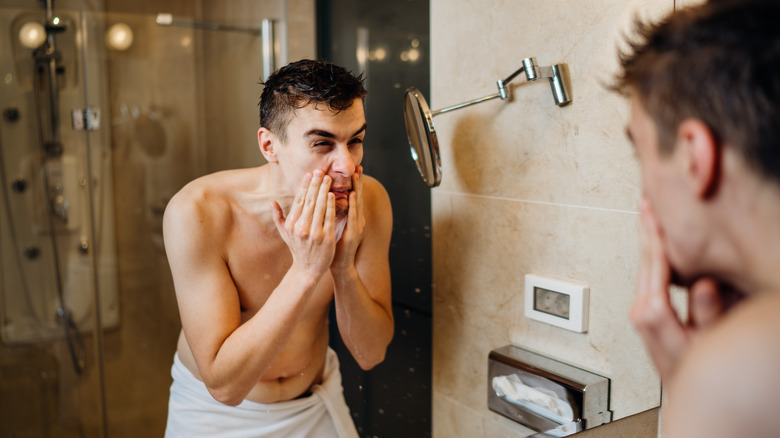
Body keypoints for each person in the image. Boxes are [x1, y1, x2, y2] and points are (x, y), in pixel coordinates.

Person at [162, 59, 394, 437]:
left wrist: (342, 268)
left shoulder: (369, 201)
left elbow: (371, 355)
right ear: (269, 145)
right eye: (323, 144)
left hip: (315, 402)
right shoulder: (200, 213)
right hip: (215, 416)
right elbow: (225, 386)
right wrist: (305, 271)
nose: (347, 166)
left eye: (355, 141)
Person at [612, 0, 780, 436]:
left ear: (693, 157)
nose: (644, 195)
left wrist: (697, 389)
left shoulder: (737, 375)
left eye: (640, 152)